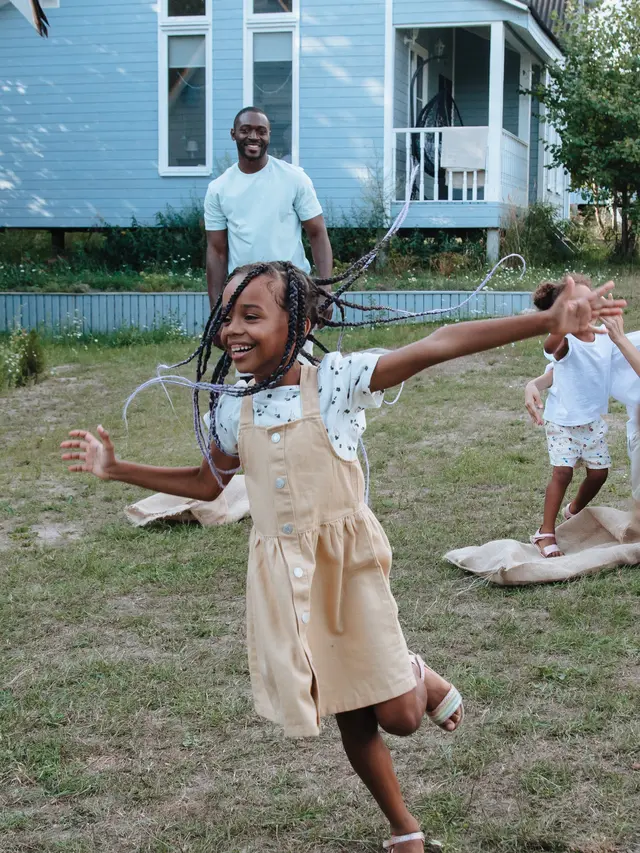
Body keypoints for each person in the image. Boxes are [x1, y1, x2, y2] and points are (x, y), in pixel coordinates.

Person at [61, 263, 623, 853]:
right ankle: (404, 828)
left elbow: (437, 346)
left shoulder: (336, 379)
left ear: (300, 324)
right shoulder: (230, 408)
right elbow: (208, 484)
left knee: (400, 716)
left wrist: (542, 320)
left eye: (251, 315)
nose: (232, 329)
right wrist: (117, 469)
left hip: (349, 568)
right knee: (351, 714)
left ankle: (415, 674)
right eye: (226, 316)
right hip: (286, 578)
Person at [204, 107, 333, 310]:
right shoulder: (218, 189)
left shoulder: (294, 178)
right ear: (233, 134)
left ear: (269, 136)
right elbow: (216, 251)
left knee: (295, 343)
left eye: (261, 131)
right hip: (244, 292)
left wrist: (326, 293)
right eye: (245, 130)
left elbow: (317, 233)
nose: (253, 137)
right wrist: (216, 311)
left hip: (293, 290)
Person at [526, 274, 614, 559]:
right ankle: (546, 532)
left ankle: (573, 510)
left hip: (592, 420)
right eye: (578, 303)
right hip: (562, 420)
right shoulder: (566, 341)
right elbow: (551, 349)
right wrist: (562, 327)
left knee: (599, 474)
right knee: (562, 472)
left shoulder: (604, 336)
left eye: (590, 299)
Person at [526, 310, 640, 501]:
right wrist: (534, 384)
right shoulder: (631, 342)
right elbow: (583, 363)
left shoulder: (623, 341)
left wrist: (620, 339)